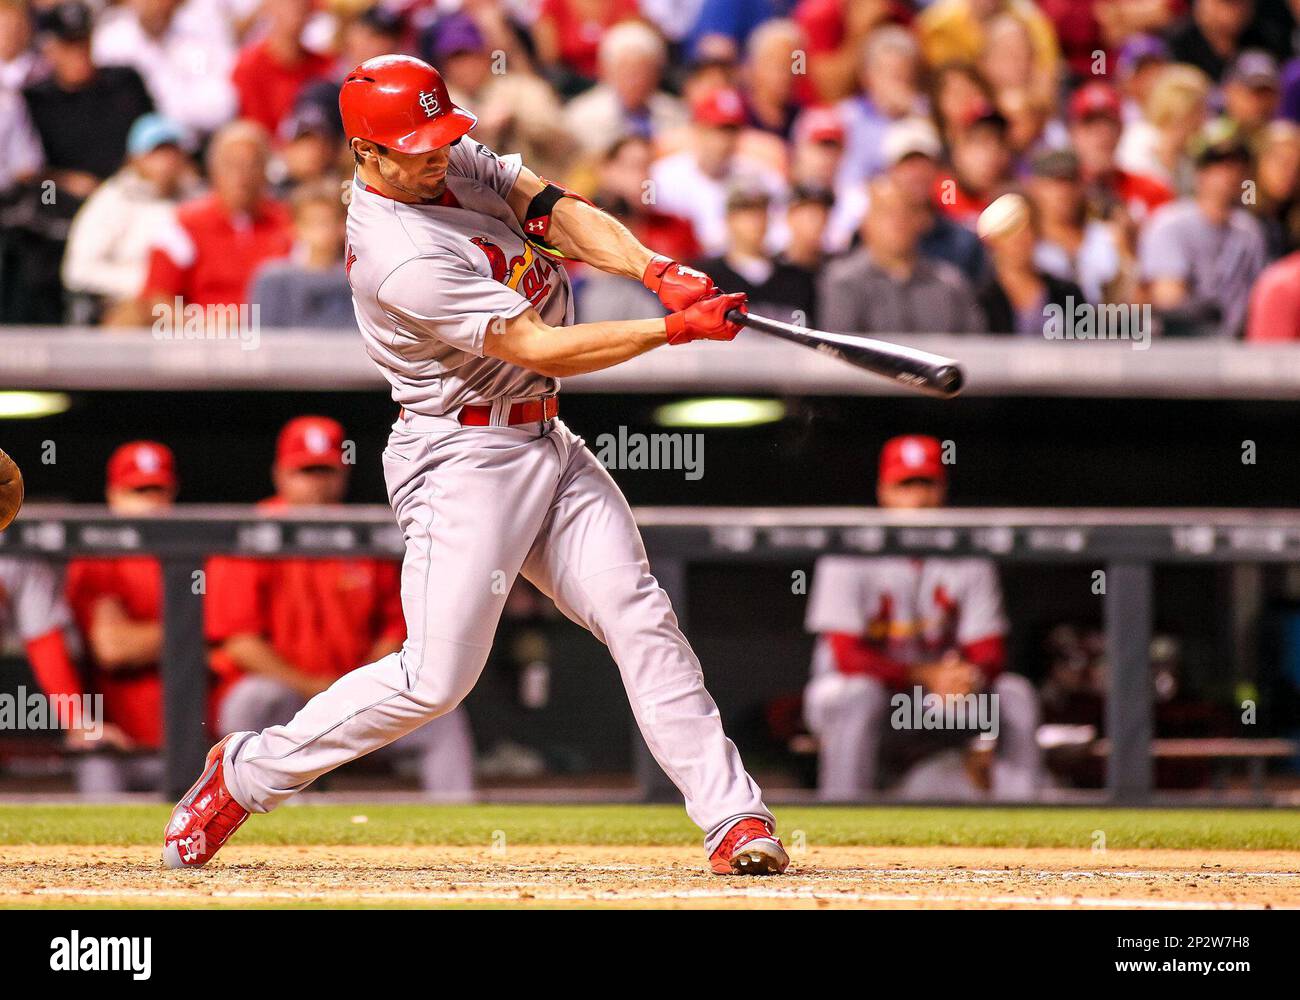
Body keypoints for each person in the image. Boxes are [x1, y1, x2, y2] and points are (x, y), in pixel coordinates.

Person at [163, 54, 787, 878]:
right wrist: (668, 330)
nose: (437, 154)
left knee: (640, 617)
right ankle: (245, 773)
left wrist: (652, 270)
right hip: (461, 455)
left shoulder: (440, 156)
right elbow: (538, 346)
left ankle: (733, 817)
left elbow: (552, 210)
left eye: (440, 135)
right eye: (415, 146)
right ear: (366, 153)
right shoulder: (397, 254)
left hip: (544, 438)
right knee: (435, 679)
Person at [205, 415, 474, 798]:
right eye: (305, 471)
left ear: (342, 474)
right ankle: (242, 804)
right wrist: (314, 688)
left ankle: (464, 835)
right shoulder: (251, 534)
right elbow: (240, 643)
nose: (317, 482)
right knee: (251, 698)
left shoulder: (364, 536)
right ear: (281, 474)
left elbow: (397, 631)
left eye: (325, 470)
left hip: (353, 696)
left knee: (443, 714)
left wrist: (359, 686)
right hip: (286, 697)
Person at [803, 434, 1042, 801]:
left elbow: (989, 649)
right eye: (905, 485)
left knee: (1015, 694)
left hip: (934, 701)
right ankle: (844, 813)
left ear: (942, 490)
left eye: (926, 483)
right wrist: (925, 675)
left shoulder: (967, 556)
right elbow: (847, 656)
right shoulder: (848, 551)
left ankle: (1027, 822)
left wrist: (969, 676)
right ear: (884, 491)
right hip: (858, 696)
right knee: (859, 696)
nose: (917, 497)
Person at [64, 442, 179, 795]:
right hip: (115, 744)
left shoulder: (194, 557)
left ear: (173, 493)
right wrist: (193, 633)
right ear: (113, 495)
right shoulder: (97, 558)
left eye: (157, 490)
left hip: (188, 745)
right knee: (96, 764)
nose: (149, 502)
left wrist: (140, 637)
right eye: (137, 490)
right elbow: (113, 647)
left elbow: (231, 640)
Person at [61, 113, 201, 325]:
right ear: (135, 158)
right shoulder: (113, 199)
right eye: (158, 152)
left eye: (174, 151)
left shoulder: (198, 198)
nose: (167, 161)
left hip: (187, 302)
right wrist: (146, 284)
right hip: (129, 301)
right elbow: (78, 270)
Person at [141, 119, 293, 312]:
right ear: (213, 170)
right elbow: (156, 300)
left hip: (276, 335)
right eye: (231, 165)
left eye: (251, 165)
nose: (241, 175)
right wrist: (205, 326)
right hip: (203, 336)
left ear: (265, 171)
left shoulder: (290, 223)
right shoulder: (184, 225)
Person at [1139, 120, 1269, 337]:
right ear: (1199, 172)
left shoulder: (1250, 231)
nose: (1230, 173)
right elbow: (1169, 302)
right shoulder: (1170, 224)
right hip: (1182, 349)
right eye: (1219, 164)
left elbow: (1259, 300)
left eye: (1238, 165)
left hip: (1238, 350)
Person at [819, 176, 985, 335]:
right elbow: (839, 353)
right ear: (866, 224)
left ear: (922, 221)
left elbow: (974, 350)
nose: (898, 221)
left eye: (906, 212)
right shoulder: (844, 281)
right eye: (886, 213)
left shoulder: (950, 284)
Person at [650, 85, 787, 256]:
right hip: (683, 267)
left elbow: (782, 233)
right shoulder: (664, 176)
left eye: (731, 131)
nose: (723, 141)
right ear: (698, 129)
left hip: (739, 268)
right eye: (716, 130)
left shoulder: (761, 177)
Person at [92, 0, 238, 138]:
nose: (157, 6)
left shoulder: (197, 38)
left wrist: (174, 119)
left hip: (193, 140)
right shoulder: (111, 41)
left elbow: (221, 105)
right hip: (132, 142)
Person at [693, 179, 816, 325]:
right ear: (729, 219)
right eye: (746, 212)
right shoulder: (705, 279)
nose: (755, 220)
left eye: (761, 211)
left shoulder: (798, 279)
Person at [562, 20, 685, 158]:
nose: (635, 79)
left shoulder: (676, 114)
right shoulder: (580, 116)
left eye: (643, 70)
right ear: (607, 71)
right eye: (626, 70)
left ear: (657, 73)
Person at [975, 190, 1086, 336]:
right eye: (1009, 229)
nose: (1019, 239)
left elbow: (1087, 345)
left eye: (1026, 227)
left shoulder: (1067, 293)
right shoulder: (982, 300)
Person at [249, 181, 353, 328]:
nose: (322, 230)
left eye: (328, 221)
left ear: (342, 226)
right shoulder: (274, 281)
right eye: (313, 222)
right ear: (295, 228)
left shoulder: (357, 282)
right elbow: (264, 336)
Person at [230, 0, 332, 138]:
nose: (297, 9)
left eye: (303, 4)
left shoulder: (325, 65)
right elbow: (256, 129)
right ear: (269, 7)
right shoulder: (248, 66)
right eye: (288, 3)